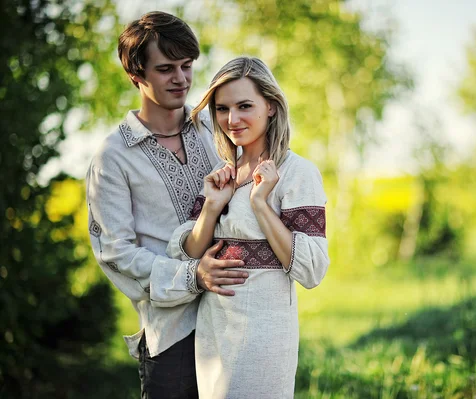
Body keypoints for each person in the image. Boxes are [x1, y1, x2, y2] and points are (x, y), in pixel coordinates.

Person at [85, 12, 248, 398]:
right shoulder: (113, 157)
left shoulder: (217, 128)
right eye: (165, 69)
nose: (181, 78)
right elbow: (116, 253)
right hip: (173, 336)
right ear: (136, 75)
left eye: (187, 66)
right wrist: (193, 275)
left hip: (237, 318)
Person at [166, 56, 330, 398]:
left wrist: (260, 203)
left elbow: (312, 270)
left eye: (244, 106)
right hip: (214, 330)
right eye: (223, 109)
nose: (232, 119)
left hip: (264, 332)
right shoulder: (222, 175)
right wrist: (212, 205)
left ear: (270, 106)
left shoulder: (297, 172)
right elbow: (190, 253)